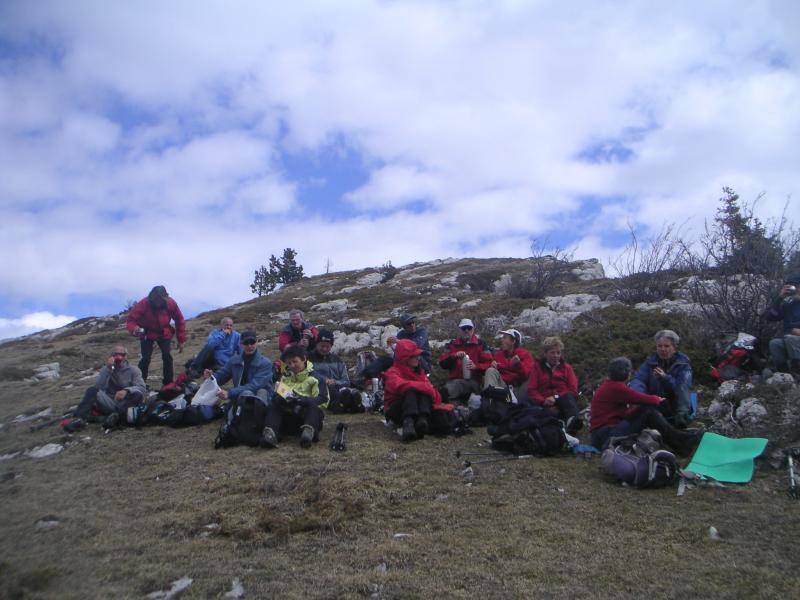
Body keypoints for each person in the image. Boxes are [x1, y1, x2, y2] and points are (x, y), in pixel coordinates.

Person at [590, 356, 703, 456]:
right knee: (647, 411)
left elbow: (621, 413)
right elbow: (640, 398)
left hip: (601, 435)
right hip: (605, 437)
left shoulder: (609, 386)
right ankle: (681, 443)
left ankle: (679, 439)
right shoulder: (616, 387)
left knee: (644, 411)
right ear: (626, 373)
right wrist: (657, 399)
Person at [62, 345, 147, 432]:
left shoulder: (134, 370)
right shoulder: (106, 369)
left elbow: (142, 388)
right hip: (110, 402)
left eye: (122, 354)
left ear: (126, 356)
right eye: (115, 354)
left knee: (137, 394)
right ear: (111, 356)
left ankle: (115, 418)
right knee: (92, 390)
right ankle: (78, 419)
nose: (119, 357)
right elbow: (98, 387)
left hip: (126, 404)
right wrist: (108, 369)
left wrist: (127, 390)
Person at [205, 329, 273, 424]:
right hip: (241, 396)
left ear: (257, 342)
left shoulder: (266, 363)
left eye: (252, 342)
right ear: (241, 344)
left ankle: (260, 420)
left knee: (257, 391)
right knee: (245, 394)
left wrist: (230, 393)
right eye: (246, 343)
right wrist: (211, 377)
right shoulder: (234, 360)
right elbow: (223, 375)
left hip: (260, 397)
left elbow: (254, 386)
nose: (249, 346)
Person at [264, 345, 326, 448]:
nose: (292, 365)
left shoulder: (317, 378)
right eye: (289, 363)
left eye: (295, 361)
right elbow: (274, 397)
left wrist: (300, 399)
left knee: (314, 408)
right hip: (289, 416)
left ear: (304, 359)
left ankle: (307, 434)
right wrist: (281, 398)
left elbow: (323, 400)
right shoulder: (285, 378)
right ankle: (270, 435)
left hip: (307, 417)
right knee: (274, 405)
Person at [630, 330, 693, 428]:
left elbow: (682, 388)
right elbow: (638, 380)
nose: (662, 349)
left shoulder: (683, 365)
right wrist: (639, 398)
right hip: (654, 407)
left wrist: (665, 378)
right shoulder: (650, 362)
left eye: (667, 346)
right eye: (659, 346)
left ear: (674, 348)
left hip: (674, 409)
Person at [127, 285, 186, 386]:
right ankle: (139, 383)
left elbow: (179, 320)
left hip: (164, 332)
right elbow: (131, 320)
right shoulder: (144, 304)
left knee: (167, 356)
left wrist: (181, 340)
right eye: (156, 299)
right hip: (146, 333)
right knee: (145, 358)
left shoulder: (170, 303)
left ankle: (168, 384)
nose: (158, 302)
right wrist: (134, 328)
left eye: (160, 300)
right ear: (152, 297)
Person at [384, 339, 443, 441]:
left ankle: (422, 420)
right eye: (413, 356)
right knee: (411, 390)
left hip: (416, 410)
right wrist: (424, 387)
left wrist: (428, 389)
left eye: (417, 355)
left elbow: (437, 398)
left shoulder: (419, 372)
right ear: (404, 358)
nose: (417, 358)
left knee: (422, 391)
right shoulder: (392, 372)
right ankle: (408, 422)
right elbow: (398, 386)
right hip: (396, 412)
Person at [527, 336, 582, 435]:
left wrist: (556, 397)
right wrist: (543, 401)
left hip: (564, 402)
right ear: (545, 354)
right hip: (544, 403)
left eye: (558, 353)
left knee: (568, 396)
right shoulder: (537, 368)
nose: (556, 356)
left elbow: (573, 389)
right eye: (552, 352)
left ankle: (572, 422)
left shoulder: (567, 368)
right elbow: (532, 389)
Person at [437, 318, 493, 402]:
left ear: (473, 330)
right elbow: (442, 363)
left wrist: (476, 366)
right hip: (454, 381)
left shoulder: (480, 344)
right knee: (450, 393)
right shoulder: (452, 344)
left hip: (473, 382)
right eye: (464, 328)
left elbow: (490, 363)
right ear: (460, 330)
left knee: (449, 390)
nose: (466, 331)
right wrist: (454, 356)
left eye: (469, 328)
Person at [308, 329, 363, 413]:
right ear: (317, 344)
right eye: (322, 346)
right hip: (320, 389)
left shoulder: (338, 360)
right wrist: (324, 380)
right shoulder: (308, 358)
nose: (324, 349)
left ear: (331, 346)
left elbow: (346, 381)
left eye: (327, 347)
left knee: (346, 391)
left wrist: (335, 382)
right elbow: (307, 372)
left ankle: (348, 404)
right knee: (330, 390)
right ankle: (348, 404)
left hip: (339, 389)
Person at [765, 275, 800, 374]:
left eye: (797, 286)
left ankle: (797, 372)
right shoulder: (789, 305)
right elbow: (770, 317)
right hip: (792, 342)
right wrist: (780, 298)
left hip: (794, 340)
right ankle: (786, 374)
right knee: (775, 343)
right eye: (792, 287)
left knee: (791, 338)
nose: (795, 290)